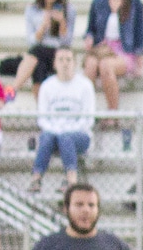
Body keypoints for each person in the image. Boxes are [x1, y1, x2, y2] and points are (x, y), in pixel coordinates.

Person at [83, 0, 143, 114]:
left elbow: (139, 31)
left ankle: (113, 112)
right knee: (90, 65)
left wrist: (140, 62)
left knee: (106, 66)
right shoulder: (99, 1)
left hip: (123, 50)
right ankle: (86, 112)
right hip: (103, 48)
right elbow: (89, 29)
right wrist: (89, 38)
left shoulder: (134, 2)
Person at [31, 48, 95, 191]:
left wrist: (65, 132)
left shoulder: (85, 85)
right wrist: (57, 131)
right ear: (54, 64)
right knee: (46, 137)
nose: (65, 63)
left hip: (80, 135)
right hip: (53, 133)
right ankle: (36, 179)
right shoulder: (47, 86)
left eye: (68, 60)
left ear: (74, 63)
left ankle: (71, 181)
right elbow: (42, 118)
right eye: (61, 60)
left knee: (66, 138)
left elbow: (88, 119)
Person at [7, 0, 72, 97]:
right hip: (38, 52)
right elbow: (31, 41)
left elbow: (66, 43)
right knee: (38, 66)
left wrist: (62, 23)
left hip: (57, 52)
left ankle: (13, 89)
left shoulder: (68, 9)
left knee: (35, 53)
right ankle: (40, 111)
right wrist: (43, 27)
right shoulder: (32, 9)